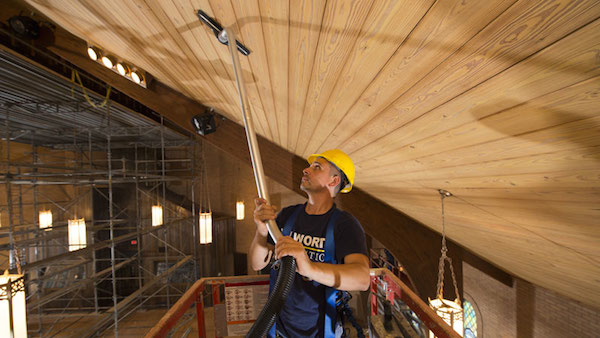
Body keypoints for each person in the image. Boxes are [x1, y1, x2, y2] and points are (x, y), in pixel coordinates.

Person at [249, 149, 370, 338]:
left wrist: (309, 268)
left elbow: (362, 279)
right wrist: (261, 230)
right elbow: (257, 263)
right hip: (279, 330)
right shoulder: (288, 216)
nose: (305, 170)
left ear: (333, 181)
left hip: (320, 332)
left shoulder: (345, 225)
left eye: (316, 167)